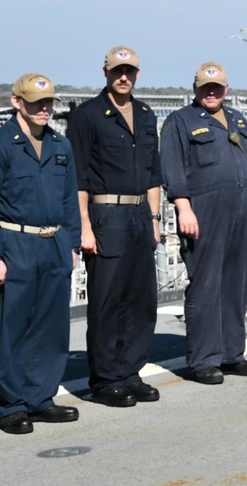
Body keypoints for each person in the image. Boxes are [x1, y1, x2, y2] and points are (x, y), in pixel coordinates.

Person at [160, 62, 247, 385]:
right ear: (195, 88)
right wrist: (184, 208)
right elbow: (172, 169)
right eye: (206, 87)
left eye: (218, 87)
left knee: (237, 283)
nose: (212, 92)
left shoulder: (236, 118)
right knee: (206, 283)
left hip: (240, 208)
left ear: (226, 89)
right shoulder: (180, 121)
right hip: (202, 210)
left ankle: (231, 354)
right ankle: (204, 359)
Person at [66, 46, 162, 408]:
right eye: (117, 70)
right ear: (105, 71)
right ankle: (106, 378)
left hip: (140, 216)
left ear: (138, 74)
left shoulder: (146, 113)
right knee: (107, 300)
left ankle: (130, 372)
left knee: (140, 299)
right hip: (106, 215)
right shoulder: (88, 116)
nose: (124, 77)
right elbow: (79, 178)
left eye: (130, 71)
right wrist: (85, 228)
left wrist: (154, 220)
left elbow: (154, 173)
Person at [0, 74, 82, 434]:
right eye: (35, 102)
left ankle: (40, 397)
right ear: (17, 102)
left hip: (53, 243)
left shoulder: (60, 145)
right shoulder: (3, 143)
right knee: (12, 326)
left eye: (48, 101)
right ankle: (11, 404)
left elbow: (69, 200)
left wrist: (72, 243)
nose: (44, 108)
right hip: (14, 242)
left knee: (50, 326)